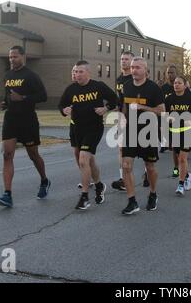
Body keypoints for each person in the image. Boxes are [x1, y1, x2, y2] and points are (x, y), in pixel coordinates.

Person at [58, 61, 118, 210]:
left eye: (80, 71)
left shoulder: (98, 86)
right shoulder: (71, 89)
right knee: (86, 159)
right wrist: (64, 110)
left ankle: (84, 197)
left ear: (88, 72)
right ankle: (98, 185)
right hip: (77, 128)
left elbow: (115, 99)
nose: (77, 74)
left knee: (84, 159)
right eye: (75, 71)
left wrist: (105, 109)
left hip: (94, 127)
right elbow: (61, 104)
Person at [0, 46, 50, 208]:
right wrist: (6, 103)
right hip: (11, 119)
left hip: (28, 120)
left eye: (15, 56)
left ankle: (44, 181)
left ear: (23, 57)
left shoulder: (31, 76)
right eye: (10, 57)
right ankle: (7, 194)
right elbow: (9, 95)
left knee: (33, 154)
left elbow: (43, 96)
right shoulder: (7, 75)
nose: (12, 59)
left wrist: (23, 97)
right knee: (7, 155)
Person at [120, 57, 165, 215]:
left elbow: (161, 110)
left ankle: (153, 194)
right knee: (126, 165)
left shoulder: (153, 88)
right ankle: (132, 201)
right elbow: (124, 107)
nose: (134, 70)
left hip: (148, 131)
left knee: (150, 167)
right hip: (130, 130)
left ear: (146, 70)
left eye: (138, 67)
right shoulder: (126, 86)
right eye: (132, 67)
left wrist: (142, 107)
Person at [165, 76, 191, 196]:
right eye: (175, 83)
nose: (176, 85)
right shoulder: (169, 99)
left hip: (186, 131)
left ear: (185, 86)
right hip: (174, 132)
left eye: (179, 83)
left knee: (182, 158)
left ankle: (180, 185)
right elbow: (164, 114)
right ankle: (187, 175)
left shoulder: (189, 99)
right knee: (178, 156)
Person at [111, 51, 137, 192]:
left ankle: (147, 171)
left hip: (138, 118)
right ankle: (123, 179)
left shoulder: (135, 78)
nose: (124, 61)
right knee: (121, 148)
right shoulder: (119, 79)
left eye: (127, 59)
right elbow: (119, 98)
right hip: (122, 118)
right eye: (122, 59)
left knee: (142, 150)